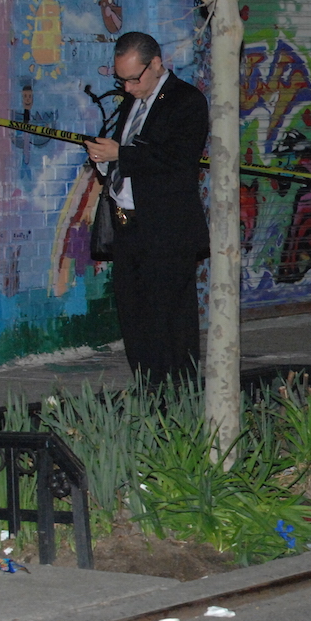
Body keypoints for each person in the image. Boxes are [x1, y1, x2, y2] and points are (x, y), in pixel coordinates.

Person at [84, 32, 209, 385]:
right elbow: (129, 155)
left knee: (169, 318)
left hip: (167, 230)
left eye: (133, 78)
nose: (127, 87)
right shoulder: (133, 101)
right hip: (129, 227)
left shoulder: (185, 100)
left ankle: (179, 391)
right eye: (120, 79)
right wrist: (105, 159)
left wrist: (120, 154)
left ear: (156, 64)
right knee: (134, 315)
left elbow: (177, 158)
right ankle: (147, 386)